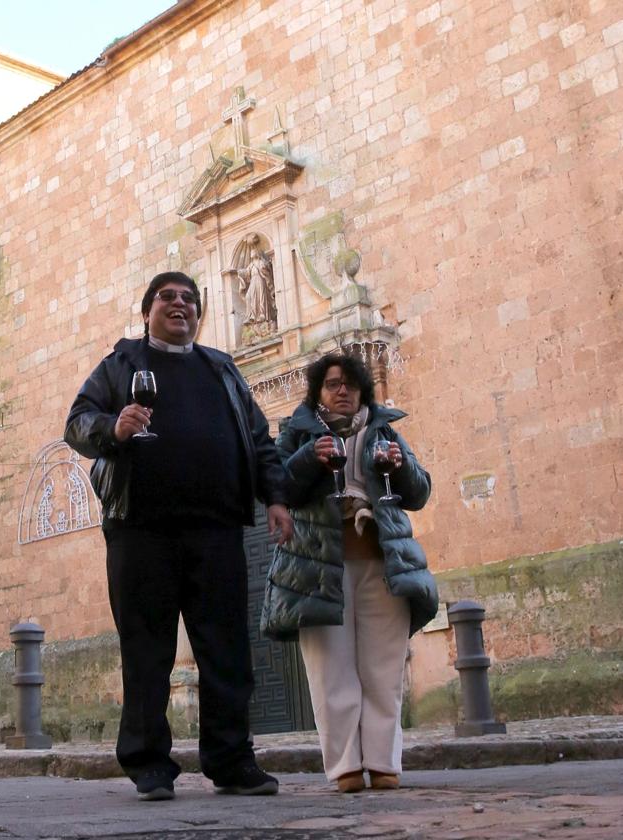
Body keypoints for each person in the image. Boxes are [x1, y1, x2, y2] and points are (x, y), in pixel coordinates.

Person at [65, 271, 294, 802]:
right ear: (147, 312)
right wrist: (113, 429)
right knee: (146, 651)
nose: (180, 305)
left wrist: (276, 497)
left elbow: (259, 441)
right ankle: (149, 765)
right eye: (167, 297)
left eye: (190, 299)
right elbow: (77, 423)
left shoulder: (223, 370)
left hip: (215, 531)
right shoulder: (121, 363)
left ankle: (232, 760)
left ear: (199, 315)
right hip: (139, 530)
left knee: (227, 650)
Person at [260, 352, 437, 793]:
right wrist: (307, 457)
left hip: (383, 562)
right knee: (330, 672)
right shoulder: (297, 433)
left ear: (363, 391)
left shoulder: (386, 432)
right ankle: (344, 767)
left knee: (383, 668)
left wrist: (402, 466)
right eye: (333, 384)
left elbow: (419, 493)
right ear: (318, 392)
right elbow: (276, 487)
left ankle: (382, 762)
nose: (343, 391)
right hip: (318, 567)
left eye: (351, 385)